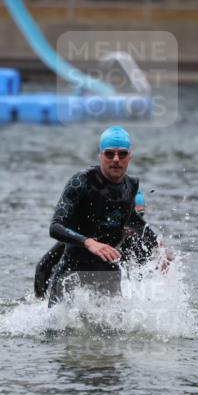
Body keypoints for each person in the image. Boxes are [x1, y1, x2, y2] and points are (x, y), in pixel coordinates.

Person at [43, 126, 158, 304]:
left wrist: (160, 247)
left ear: (130, 156)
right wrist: (88, 242)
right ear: (100, 155)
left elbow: (132, 219)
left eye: (122, 154)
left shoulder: (131, 185)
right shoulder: (81, 181)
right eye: (109, 154)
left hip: (108, 272)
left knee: (116, 330)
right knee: (56, 330)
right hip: (72, 271)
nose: (116, 159)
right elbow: (55, 227)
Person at [34, 188, 157, 299]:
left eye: (139, 216)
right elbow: (44, 265)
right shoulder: (88, 236)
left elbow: (142, 282)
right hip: (75, 285)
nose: (132, 225)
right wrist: (40, 299)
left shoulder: (142, 245)